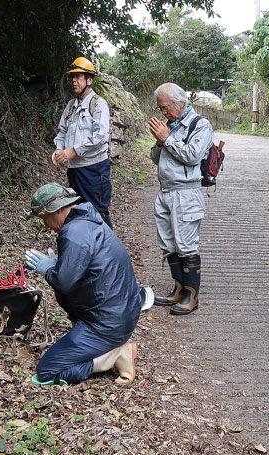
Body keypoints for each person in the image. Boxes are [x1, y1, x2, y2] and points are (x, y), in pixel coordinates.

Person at [24, 183, 141, 385]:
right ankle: (102, 343)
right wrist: (56, 267)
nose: (46, 225)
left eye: (44, 218)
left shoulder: (73, 233)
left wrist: (48, 269)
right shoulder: (88, 220)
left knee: (47, 371)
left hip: (106, 323)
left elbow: (65, 283)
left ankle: (115, 355)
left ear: (58, 209)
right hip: (122, 313)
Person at [148, 83, 213, 316]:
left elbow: (193, 156)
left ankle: (191, 296)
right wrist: (159, 141)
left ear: (180, 103)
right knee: (168, 244)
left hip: (186, 193)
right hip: (165, 191)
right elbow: (156, 159)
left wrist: (167, 139)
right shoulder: (170, 126)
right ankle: (178, 289)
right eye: (160, 108)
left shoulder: (200, 125)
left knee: (186, 245)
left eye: (165, 107)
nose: (162, 112)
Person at [52, 57, 113, 228]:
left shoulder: (98, 104)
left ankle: (108, 252)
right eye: (72, 77)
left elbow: (100, 136)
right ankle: (87, 252)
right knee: (78, 213)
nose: (73, 81)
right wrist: (59, 149)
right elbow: (62, 131)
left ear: (89, 80)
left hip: (94, 170)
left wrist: (73, 151)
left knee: (98, 213)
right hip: (74, 171)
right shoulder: (71, 105)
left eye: (78, 77)